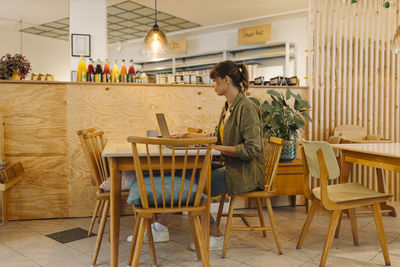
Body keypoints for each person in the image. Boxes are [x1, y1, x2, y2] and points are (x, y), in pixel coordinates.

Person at [128, 60, 265, 250]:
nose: (213, 85)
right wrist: (187, 135)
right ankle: (161, 227)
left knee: (192, 183)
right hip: (230, 166)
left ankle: (214, 234)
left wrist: (216, 148)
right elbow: (216, 137)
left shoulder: (246, 107)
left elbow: (253, 149)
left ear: (226, 80)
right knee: (183, 176)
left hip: (244, 173)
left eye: (215, 81)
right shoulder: (228, 106)